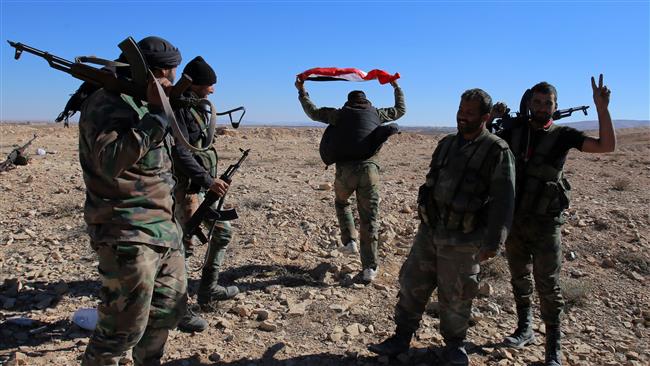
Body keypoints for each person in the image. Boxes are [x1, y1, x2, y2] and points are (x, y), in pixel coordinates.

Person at [368, 88, 516, 366]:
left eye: (470, 113)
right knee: (412, 284)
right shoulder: (447, 143)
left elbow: (505, 199)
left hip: (464, 238)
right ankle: (401, 337)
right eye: (461, 110)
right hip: (431, 231)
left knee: (457, 295)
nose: (462, 116)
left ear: (485, 117)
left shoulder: (496, 149)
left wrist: (494, 241)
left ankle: (454, 346)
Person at [78, 36, 187, 366]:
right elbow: (110, 160)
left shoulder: (142, 103)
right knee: (121, 330)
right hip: (125, 231)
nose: (172, 81)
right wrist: (156, 115)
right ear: (150, 74)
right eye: (168, 74)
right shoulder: (105, 104)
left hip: (164, 230)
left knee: (167, 312)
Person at [496, 76, 615, 366]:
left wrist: (602, 108)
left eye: (547, 103)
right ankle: (524, 329)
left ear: (555, 106)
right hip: (515, 219)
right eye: (536, 102)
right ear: (529, 104)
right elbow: (483, 143)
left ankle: (553, 347)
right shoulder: (513, 131)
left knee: (547, 283)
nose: (541, 107)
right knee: (519, 277)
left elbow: (606, 146)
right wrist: (495, 117)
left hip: (546, 223)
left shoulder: (563, 136)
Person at [295, 77, 406, 282]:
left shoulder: (338, 114)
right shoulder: (377, 114)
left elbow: (312, 112)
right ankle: (369, 268)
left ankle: (349, 241)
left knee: (341, 202)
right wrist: (396, 87)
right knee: (369, 219)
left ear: (348, 102)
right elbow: (400, 109)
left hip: (345, 172)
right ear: (367, 102)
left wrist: (302, 91)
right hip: (369, 172)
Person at [171, 56, 238, 332]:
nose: (212, 91)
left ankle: (208, 290)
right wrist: (207, 179)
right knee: (184, 246)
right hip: (186, 189)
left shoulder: (195, 107)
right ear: (195, 84)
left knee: (221, 232)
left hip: (199, 188)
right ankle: (179, 309)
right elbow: (180, 152)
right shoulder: (178, 109)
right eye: (209, 85)